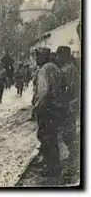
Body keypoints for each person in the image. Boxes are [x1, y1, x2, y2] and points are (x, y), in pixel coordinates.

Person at [33, 47, 65, 176]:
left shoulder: (44, 70)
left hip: (47, 107)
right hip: (56, 106)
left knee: (46, 137)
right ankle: (53, 164)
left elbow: (43, 91)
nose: (36, 59)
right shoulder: (55, 68)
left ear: (43, 57)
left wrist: (37, 106)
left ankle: (51, 167)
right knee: (52, 137)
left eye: (38, 57)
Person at [55, 46, 80, 163]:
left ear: (64, 55)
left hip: (69, 103)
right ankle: (73, 155)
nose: (57, 57)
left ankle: (74, 156)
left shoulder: (68, 69)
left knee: (68, 131)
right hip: (69, 102)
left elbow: (68, 88)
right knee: (68, 129)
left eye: (58, 55)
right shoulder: (69, 68)